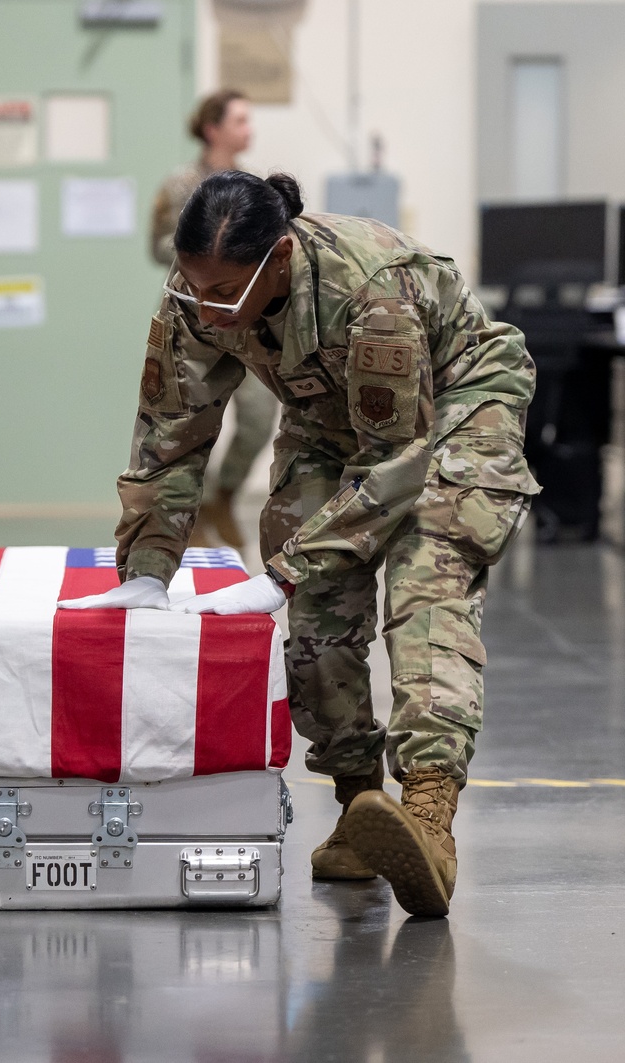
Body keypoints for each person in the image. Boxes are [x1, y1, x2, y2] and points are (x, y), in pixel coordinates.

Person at [60, 171, 539, 918]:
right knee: (318, 609)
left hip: (455, 412)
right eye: (190, 283)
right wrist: (148, 570)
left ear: (278, 261)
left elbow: (400, 465)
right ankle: (361, 807)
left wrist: (281, 570)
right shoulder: (198, 293)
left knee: (425, 581)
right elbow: (167, 439)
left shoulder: (372, 289)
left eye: (222, 290)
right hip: (330, 418)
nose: (203, 306)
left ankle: (430, 817)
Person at [149, 91, 278, 549]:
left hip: (250, 322)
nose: (250, 130)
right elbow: (157, 245)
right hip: (196, 323)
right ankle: (188, 522)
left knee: (261, 417)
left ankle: (223, 498)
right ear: (213, 128)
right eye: (240, 120)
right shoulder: (180, 185)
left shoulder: (254, 187)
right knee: (192, 423)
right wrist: (209, 248)